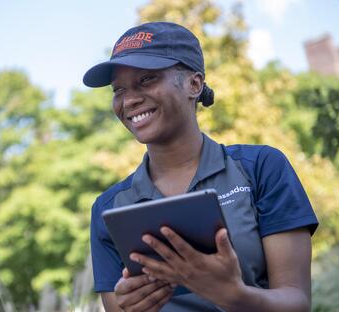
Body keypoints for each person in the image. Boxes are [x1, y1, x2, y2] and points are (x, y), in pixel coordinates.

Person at [83, 22, 318, 312]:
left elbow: (298, 302)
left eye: (146, 80)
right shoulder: (109, 208)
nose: (129, 99)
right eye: (118, 89)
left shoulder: (261, 168)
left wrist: (234, 295)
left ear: (194, 84)